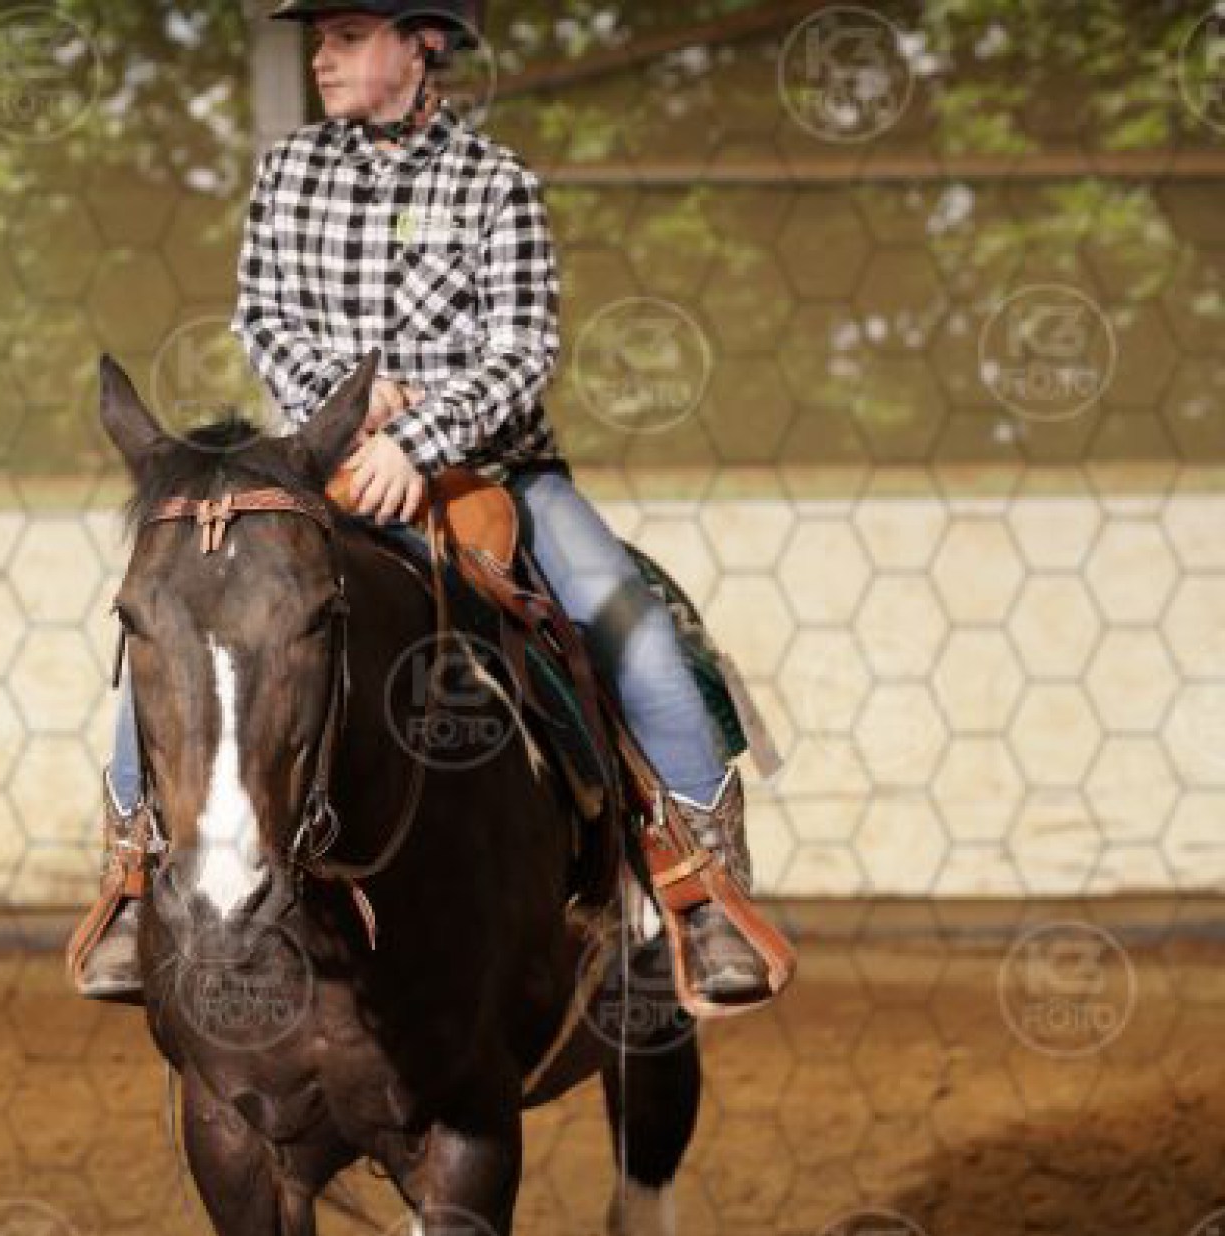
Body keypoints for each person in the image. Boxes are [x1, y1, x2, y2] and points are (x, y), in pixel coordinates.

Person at [69, 0, 777, 1013]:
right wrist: (349, 407)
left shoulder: (495, 182)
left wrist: (420, 440)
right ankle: (134, 879)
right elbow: (263, 316)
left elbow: (522, 348)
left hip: (496, 472)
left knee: (635, 630)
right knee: (188, 619)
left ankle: (701, 895)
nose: (322, 57)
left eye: (348, 36)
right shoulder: (287, 173)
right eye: (321, 39)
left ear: (424, 44)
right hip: (321, 465)